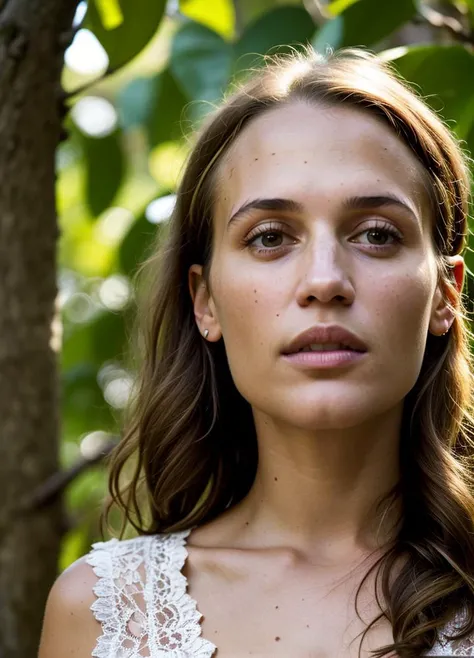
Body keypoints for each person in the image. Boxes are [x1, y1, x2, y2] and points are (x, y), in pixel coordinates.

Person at [38, 45, 474, 658]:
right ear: (205, 300)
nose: (325, 280)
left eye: (377, 234)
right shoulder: (102, 614)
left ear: (444, 295)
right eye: (270, 237)